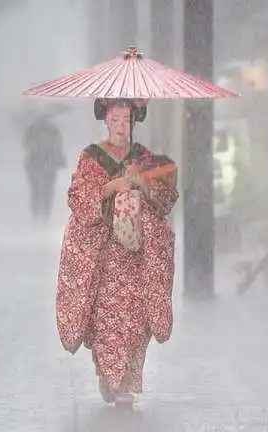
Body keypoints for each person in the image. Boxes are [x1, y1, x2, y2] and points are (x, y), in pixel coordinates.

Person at [55, 98, 178, 409]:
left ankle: (127, 380)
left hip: (138, 253)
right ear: (106, 121)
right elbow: (81, 198)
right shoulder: (91, 157)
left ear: (134, 122)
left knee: (136, 317)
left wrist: (143, 185)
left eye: (127, 120)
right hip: (106, 252)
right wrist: (114, 186)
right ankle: (111, 376)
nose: (122, 126)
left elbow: (164, 199)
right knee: (110, 317)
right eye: (116, 119)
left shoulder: (145, 158)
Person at [21, 114, 66, 221]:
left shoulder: (33, 129)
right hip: (43, 163)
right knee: (42, 190)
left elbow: (25, 143)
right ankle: (41, 213)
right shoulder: (51, 129)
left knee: (40, 190)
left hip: (41, 163)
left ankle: (40, 213)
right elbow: (58, 145)